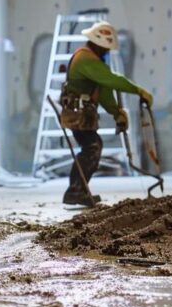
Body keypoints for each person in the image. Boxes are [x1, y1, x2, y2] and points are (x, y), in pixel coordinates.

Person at [58, 22, 153, 207]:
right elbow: (112, 80)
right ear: (97, 43)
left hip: (83, 113)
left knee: (92, 147)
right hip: (77, 113)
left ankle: (79, 190)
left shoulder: (94, 61)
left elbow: (104, 89)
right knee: (92, 147)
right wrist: (138, 90)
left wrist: (116, 112)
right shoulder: (86, 59)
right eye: (105, 48)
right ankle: (75, 191)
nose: (106, 52)